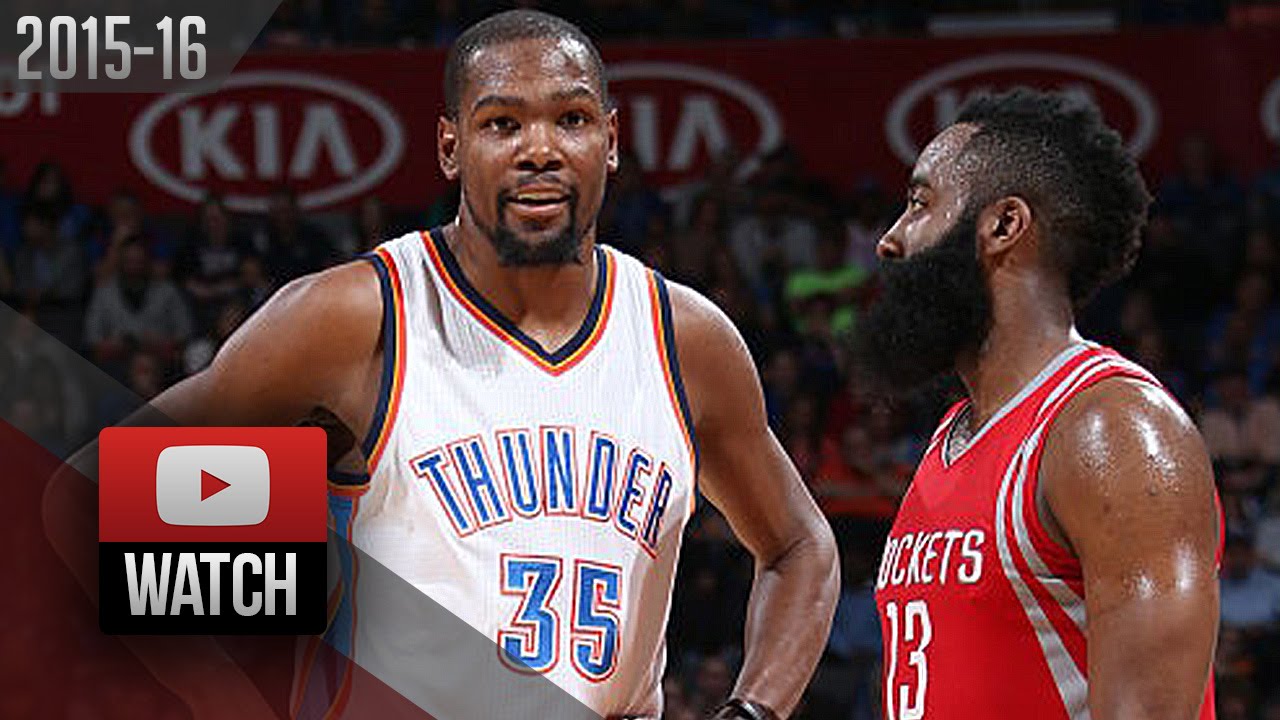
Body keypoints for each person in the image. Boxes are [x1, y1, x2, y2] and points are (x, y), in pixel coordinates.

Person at [44, 9, 837, 720]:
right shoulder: (354, 319)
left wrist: (752, 712)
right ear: (451, 147)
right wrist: (224, 697)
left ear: (611, 140)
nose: (540, 150)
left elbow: (800, 547)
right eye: (502, 124)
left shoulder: (683, 339)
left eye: (570, 119)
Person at [856, 88, 1221, 719]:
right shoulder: (955, 434)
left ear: (1003, 225)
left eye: (919, 204)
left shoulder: (1114, 432)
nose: (890, 239)